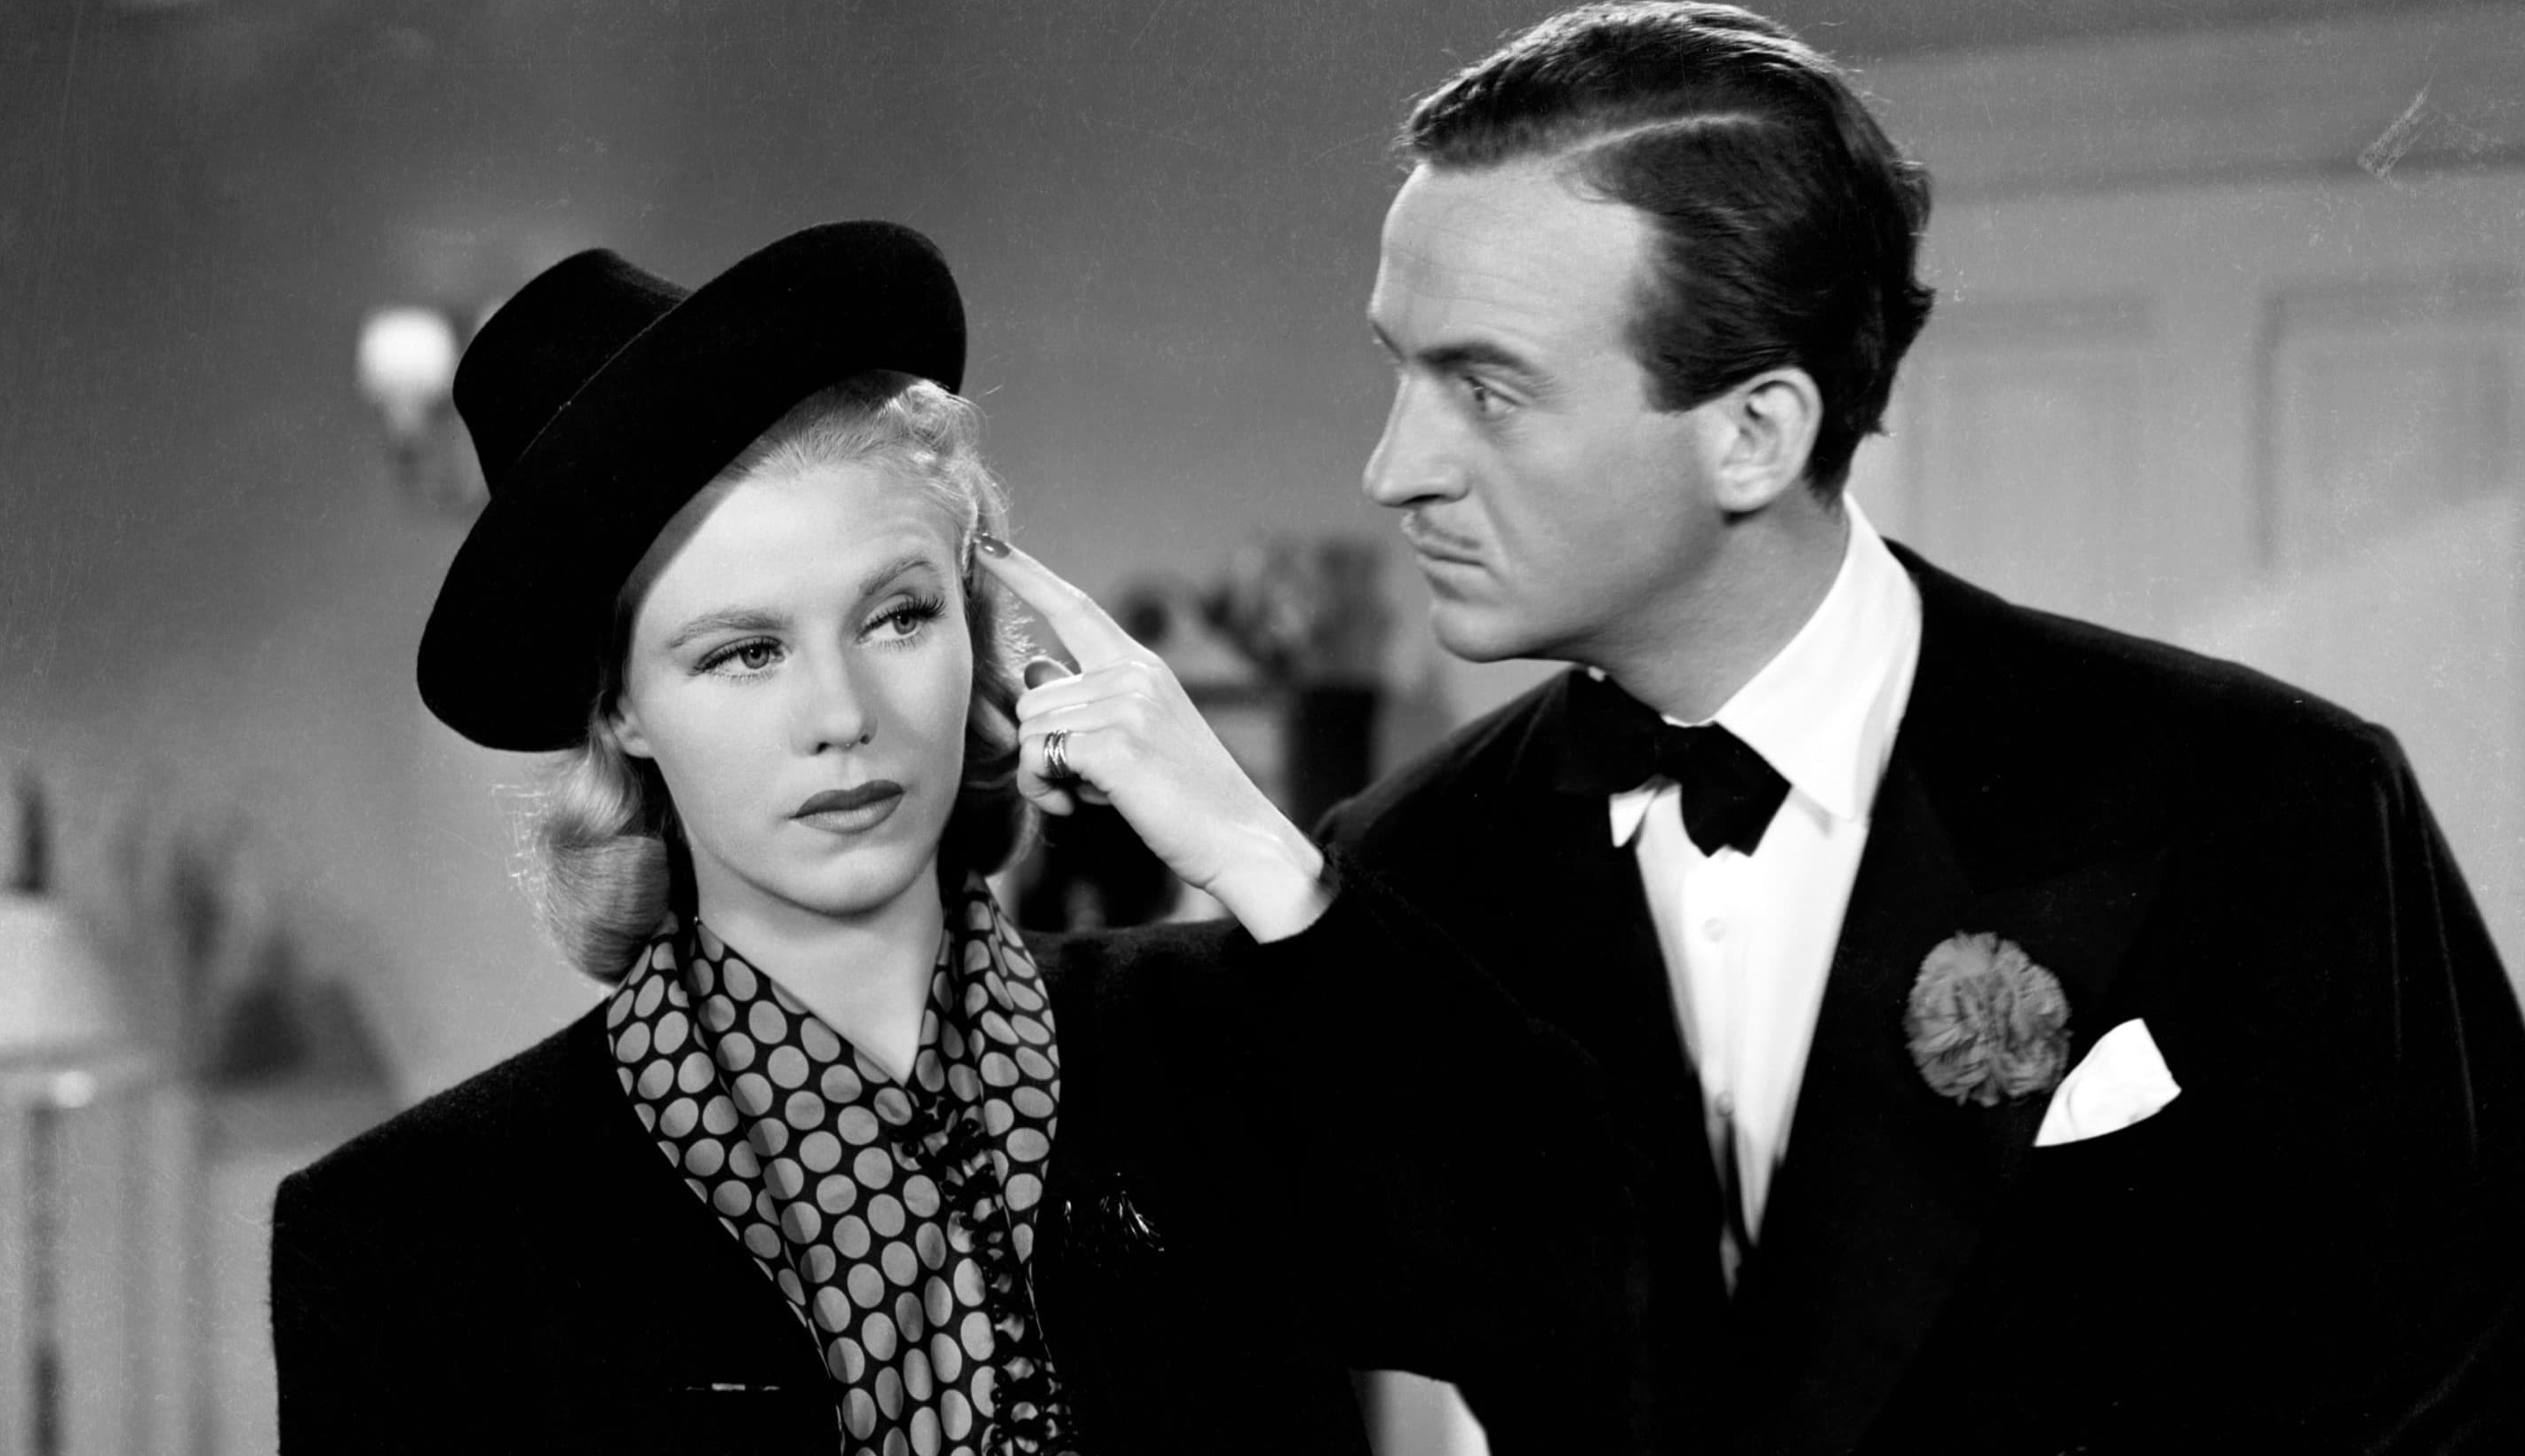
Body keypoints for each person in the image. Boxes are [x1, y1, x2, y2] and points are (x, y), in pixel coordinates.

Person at [1318, 0, 2525, 1452]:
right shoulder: (1406, 869)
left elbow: (2465, 1405)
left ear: (1755, 435)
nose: (1394, 468)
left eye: (1485, 390)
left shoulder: (2275, 800)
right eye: (1401, 369)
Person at [269, 221, 1629, 1455]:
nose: (843, 716)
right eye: (745, 652)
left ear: (975, 626)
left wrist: (1256, 853)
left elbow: (1608, 1297)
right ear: (622, 708)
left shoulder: (1220, 1046)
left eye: (898, 617)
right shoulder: (410, 1236)